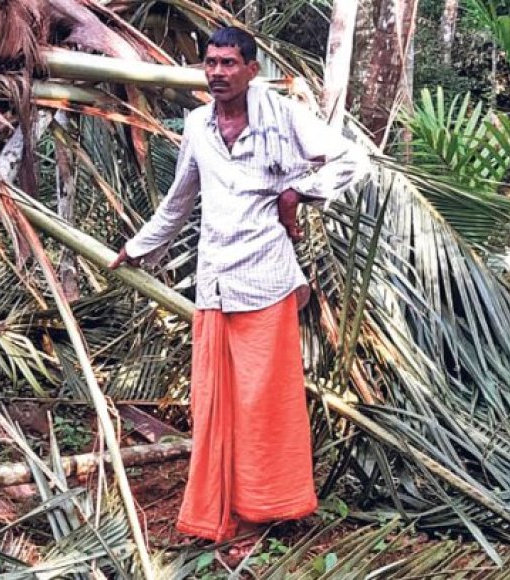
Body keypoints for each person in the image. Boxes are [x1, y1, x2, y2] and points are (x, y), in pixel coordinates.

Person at [108, 27, 368, 546]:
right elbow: (179, 202)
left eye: (229, 63)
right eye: (211, 63)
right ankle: (219, 509)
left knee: (263, 405)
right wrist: (137, 249)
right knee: (213, 406)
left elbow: (353, 160)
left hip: (267, 283)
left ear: (252, 69)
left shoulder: (284, 117)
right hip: (215, 286)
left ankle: (267, 507)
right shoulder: (199, 124)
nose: (218, 73)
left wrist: (298, 192)